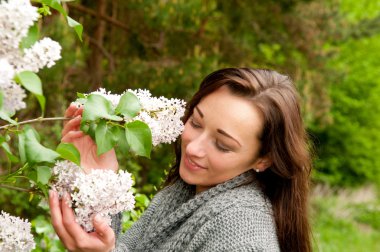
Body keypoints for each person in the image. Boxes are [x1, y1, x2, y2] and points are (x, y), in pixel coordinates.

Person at [49, 68, 313, 252]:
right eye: (196, 123)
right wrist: (101, 182)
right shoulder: (186, 194)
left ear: (264, 159)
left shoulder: (242, 235)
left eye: (222, 145)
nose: (194, 148)